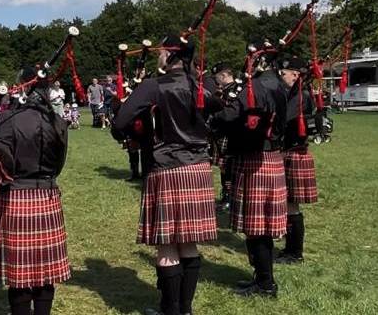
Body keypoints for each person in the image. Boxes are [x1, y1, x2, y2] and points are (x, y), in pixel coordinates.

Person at [113, 35, 219, 315]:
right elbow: (219, 115)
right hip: (198, 168)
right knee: (189, 243)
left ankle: (170, 312)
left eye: (161, 53)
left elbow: (121, 121)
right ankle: (185, 310)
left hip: (167, 167)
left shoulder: (153, 86)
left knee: (167, 247)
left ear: (171, 56)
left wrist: (139, 132)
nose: (158, 57)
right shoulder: (203, 85)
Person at [0, 68, 71, 315]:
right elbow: (59, 164)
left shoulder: (8, 119)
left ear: (22, 87)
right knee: (45, 272)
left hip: (15, 197)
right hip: (47, 195)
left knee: (20, 274)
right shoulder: (57, 121)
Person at [213, 51, 301, 298]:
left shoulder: (260, 85)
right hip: (270, 157)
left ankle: (265, 284)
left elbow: (232, 115)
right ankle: (262, 279)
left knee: (256, 226)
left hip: (256, 160)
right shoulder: (279, 88)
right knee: (259, 225)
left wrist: (213, 121)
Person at [277, 68, 319, 265]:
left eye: (285, 72)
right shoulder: (298, 94)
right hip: (293, 151)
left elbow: (282, 120)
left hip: (294, 152)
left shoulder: (300, 96)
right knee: (289, 205)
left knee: (291, 205)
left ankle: (294, 252)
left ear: (295, 74)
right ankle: (290, 249)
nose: (282, 76)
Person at [210, 63, 237, 210]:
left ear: (224, 75)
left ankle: (229, 197)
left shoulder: (235, 90)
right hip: (220, 132)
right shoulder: (224, 90)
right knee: (223, 167)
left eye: (217, 78)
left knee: (227, 167)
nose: (216, 81)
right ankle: (226, 195)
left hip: (228, 132)